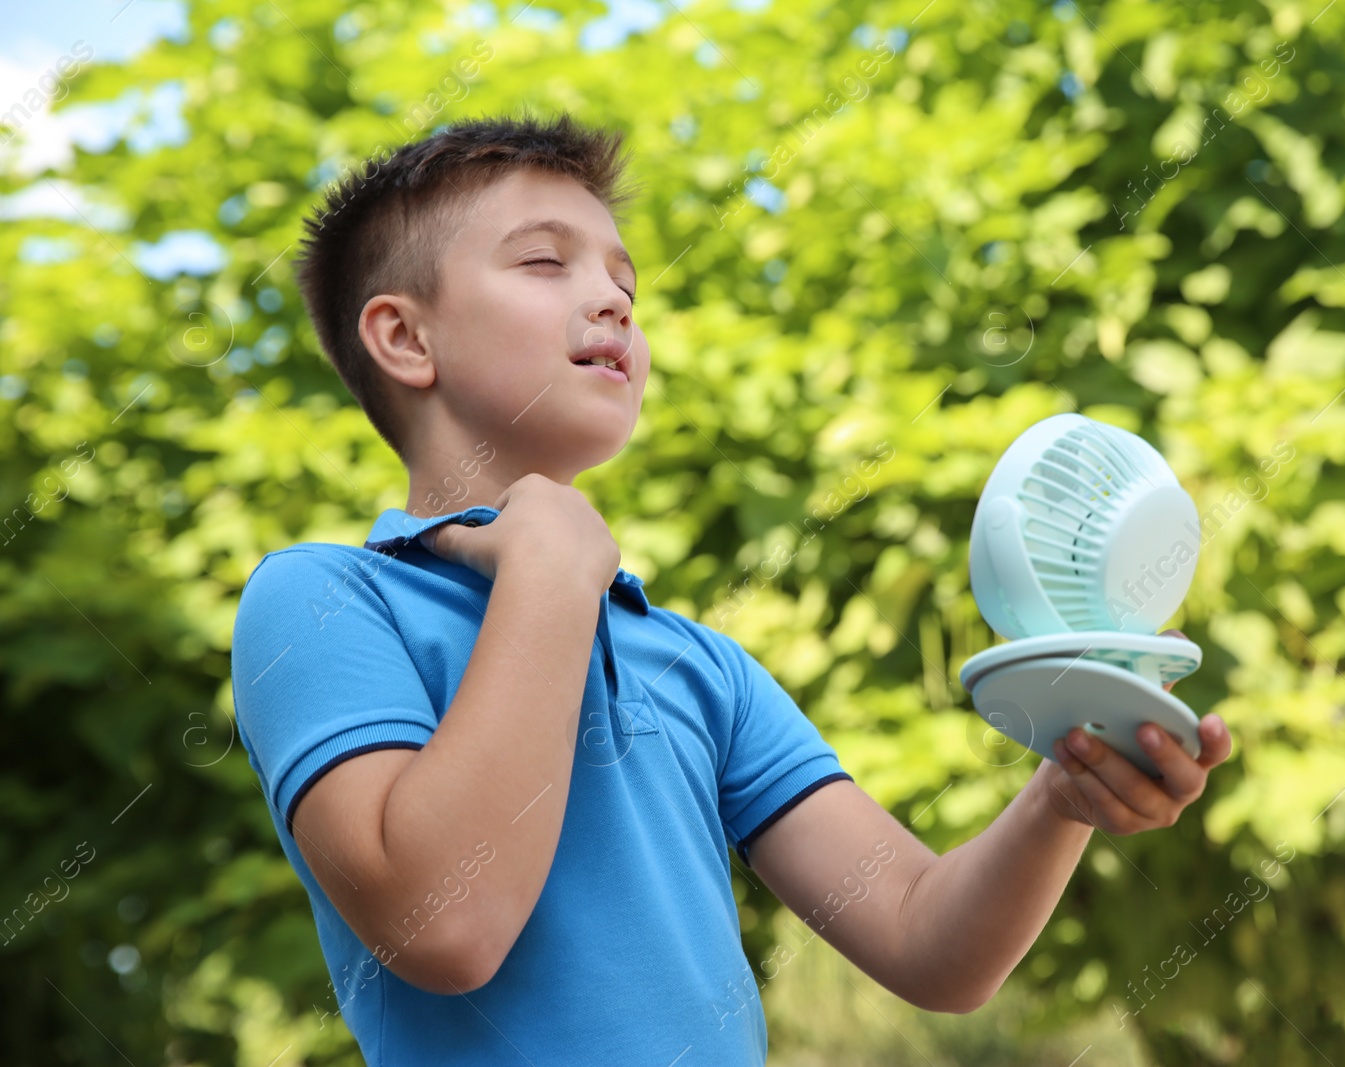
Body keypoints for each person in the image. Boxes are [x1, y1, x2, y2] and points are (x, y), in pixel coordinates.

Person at [229, 111, 1233, 1064]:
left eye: (625, 277)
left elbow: (932, 945)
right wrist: (549, 568)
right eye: (545, 261)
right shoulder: (318, 600)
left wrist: (1063, 793)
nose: (613, 296)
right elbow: (444, 923)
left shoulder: (701, 666)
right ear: (405, 339)